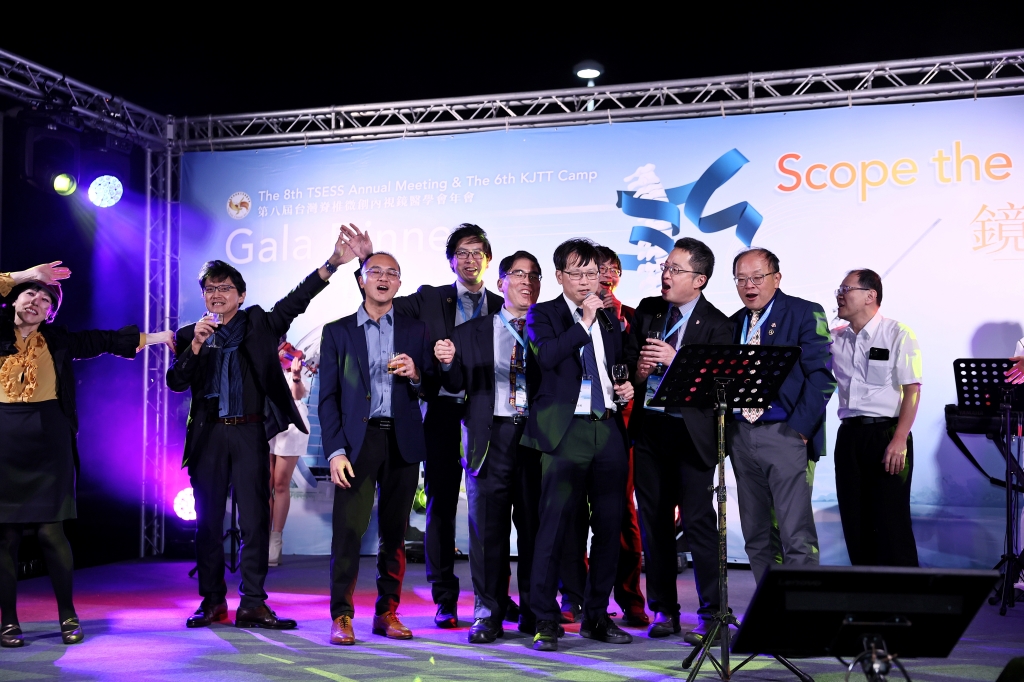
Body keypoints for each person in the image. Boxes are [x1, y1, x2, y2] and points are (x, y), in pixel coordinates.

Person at [167, 230, 347, 631]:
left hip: (249, 434)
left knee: (254, 520)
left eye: (225, 288)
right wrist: (194, 348)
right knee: (207, 522)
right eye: (210, 289)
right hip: (208, 437)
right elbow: (176, 382)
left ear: (241, 295)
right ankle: (212, 601)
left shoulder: (260, 323)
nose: (217, 295)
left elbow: (296, 300)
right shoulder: (190, 334)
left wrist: (332, 264)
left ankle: (252, 602)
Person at [0, 262, 174, 648]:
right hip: (4, 443)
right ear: (14, 298)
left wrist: (160, 337)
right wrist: (23, 275)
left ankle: (68, 615)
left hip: (49, 444)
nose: (36, 301)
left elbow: (105, 340)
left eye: (45, 299)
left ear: (50, 313)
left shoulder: (58, 340)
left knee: (51, 532)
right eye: (30, 293)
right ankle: (8, 621)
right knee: (5, 537)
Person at [340, 223, 504, 628]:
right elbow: (380, 300)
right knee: (441, 507)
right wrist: (367, 261)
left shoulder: (503, 305)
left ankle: (495, 599)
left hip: (490, 416)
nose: (470, 259)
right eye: (462, 252)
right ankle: (445, 598)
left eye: (477, 252)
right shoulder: (430, 298)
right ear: (451, 261)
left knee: (494, 511)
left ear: (488, 259)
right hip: (441, 413)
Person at [521, 238, 635, 652]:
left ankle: (597, 616)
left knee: (609, 526)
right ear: (559, 276)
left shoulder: (608, 316)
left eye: (593, 274)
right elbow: (548, 356)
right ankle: (545, 618)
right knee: (553, 527)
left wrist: (625, 386)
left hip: (607, 426)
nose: (588, 282)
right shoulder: (543, 314)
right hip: (564, 431)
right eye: (578, 273)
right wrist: (583, 321)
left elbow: (612, 365)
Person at [318, 252, 432, 645]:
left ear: (399, 283)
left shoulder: (416, 330)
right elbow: (327, 398)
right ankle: (342, 615)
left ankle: (387, 612)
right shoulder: (337, 331)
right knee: (347, 533)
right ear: (361, 280)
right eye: (375, 272)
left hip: (402, 440)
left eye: (392, 273)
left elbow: (432, 386)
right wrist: (335, 451)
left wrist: (417, 375)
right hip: (357, 444)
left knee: (394, 535)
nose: (383, 278)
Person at [626, 237, 733, 644]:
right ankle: (664, 610)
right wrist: (639, 371)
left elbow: (718, 390)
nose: (665, 275)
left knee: (698, 523)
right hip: (651, 430)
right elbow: (630, 368)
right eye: (665, 267)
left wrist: (678, 362)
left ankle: (712, 614)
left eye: (675, 269)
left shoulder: (719, 325)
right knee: (653, 523)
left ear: (699, 279)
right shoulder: (649, 310)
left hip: (691, 436)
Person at [434, 251, 543, 643]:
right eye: (519, 274)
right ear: (501, 283)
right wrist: (448, 363)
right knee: (486, 533)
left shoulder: (549, 330)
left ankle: (535, 611)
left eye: (534, 275)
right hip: (490, 437)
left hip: (535, 439)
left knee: (535, 530)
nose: (527, 281)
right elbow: (454, 383)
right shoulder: (471, 331)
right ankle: (487, 613)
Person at [727, 248, 836, 584]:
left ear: (776, 278)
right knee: (756, 535)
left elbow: (822, 377)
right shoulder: (734, 323)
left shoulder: (804, 312)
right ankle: (770, 607)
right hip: (742, 435)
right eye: (741, 279)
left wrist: (799, 431)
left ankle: (802, 611)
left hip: (786, 433)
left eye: (757, 277)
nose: (749, 285)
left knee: (795, 534)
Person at [557, 246, 648, 627]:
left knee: (620, 516)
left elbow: (633, 371)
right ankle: (574, 595)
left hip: (618, 427)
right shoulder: (564, 315)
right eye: (597, 270)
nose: (604, 277)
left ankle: (629, 596)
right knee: (572, 513)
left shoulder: (631, 317)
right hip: (574, 428)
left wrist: (629, 386)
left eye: (611, 270)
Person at [831, 269, 922, 566]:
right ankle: (865, 589)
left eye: (846, 289)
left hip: (887, 434)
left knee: (891, 524)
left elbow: (912, 390)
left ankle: (904, 591)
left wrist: (899, 439)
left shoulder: (898, 333)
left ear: (871, 295)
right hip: (849, 436)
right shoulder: (834, 339)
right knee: (854, 521)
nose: (839, 295)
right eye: (839, 290)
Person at [267, 339, 312, 566]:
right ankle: (262, 537)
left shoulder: (297, 364)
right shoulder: (262, 360)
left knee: (280, 484)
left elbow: (298, 395)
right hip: (265, 421)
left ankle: (275, 540)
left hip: (291, 425)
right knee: (264, 484)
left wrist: (295, 375)